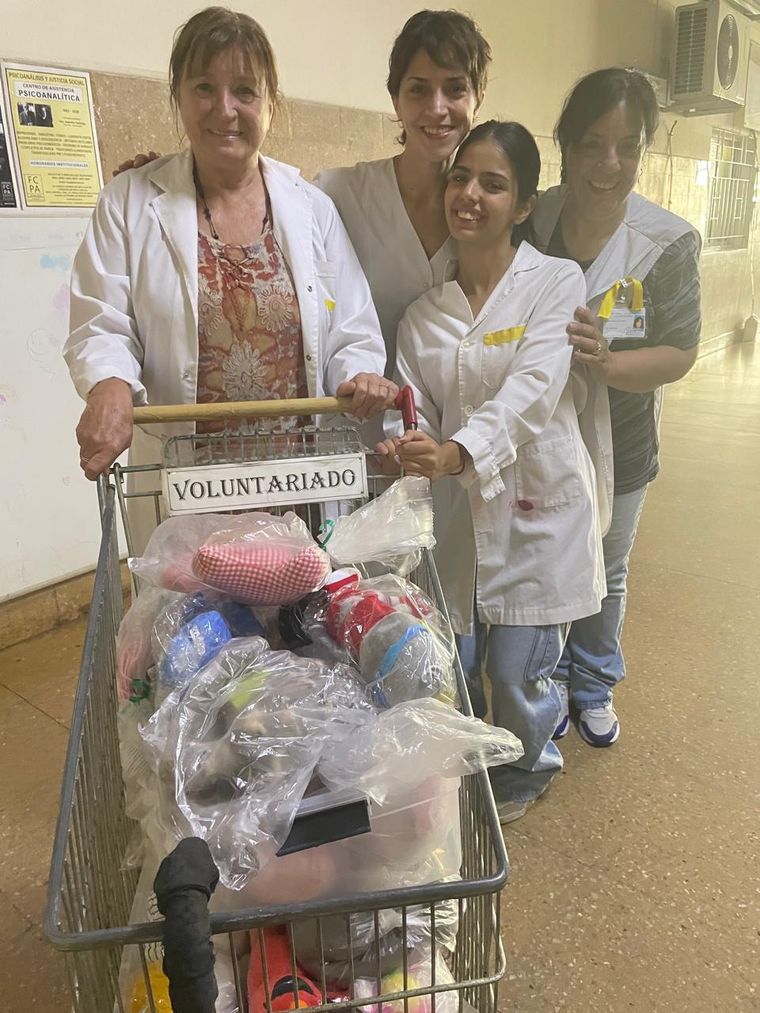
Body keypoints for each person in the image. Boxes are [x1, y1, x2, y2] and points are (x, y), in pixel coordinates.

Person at [65, 7, 393, 504]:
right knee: (191, 584)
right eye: (203, 87)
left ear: (271, 104)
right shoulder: (128, 202)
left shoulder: (312, 208)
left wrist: (358, 370)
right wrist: (108, 383)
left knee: (307, 581)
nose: (224, 109)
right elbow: (101, 320)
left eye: (245, 90)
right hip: (188, 486)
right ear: (177, 96)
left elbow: (352, 323)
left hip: (299, 481)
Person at [376, 121, 605, 823]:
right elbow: (409, 402)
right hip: (457, 515)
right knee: (460, 652)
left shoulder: (555, 281)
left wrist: (454, 453)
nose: (469, 195)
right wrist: (405, 443)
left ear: (526, 204)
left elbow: (532, 392)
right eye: (460, 177)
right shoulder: (425, 312)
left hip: (540, 509)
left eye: (494, 184)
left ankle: (533, 759)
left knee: (517, 664)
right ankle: (477, 751)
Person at [531, 68, 701, 747]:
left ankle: (592, 681)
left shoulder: (665, 242)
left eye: (627, 147)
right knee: (542, 556)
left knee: (609, 562)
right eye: (593, 145)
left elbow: (679, 352)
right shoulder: (534, 215)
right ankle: (538, 682)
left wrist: (607, 366)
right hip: (537, 433)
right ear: (567, 145)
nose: (609, 165)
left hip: (622, 440)